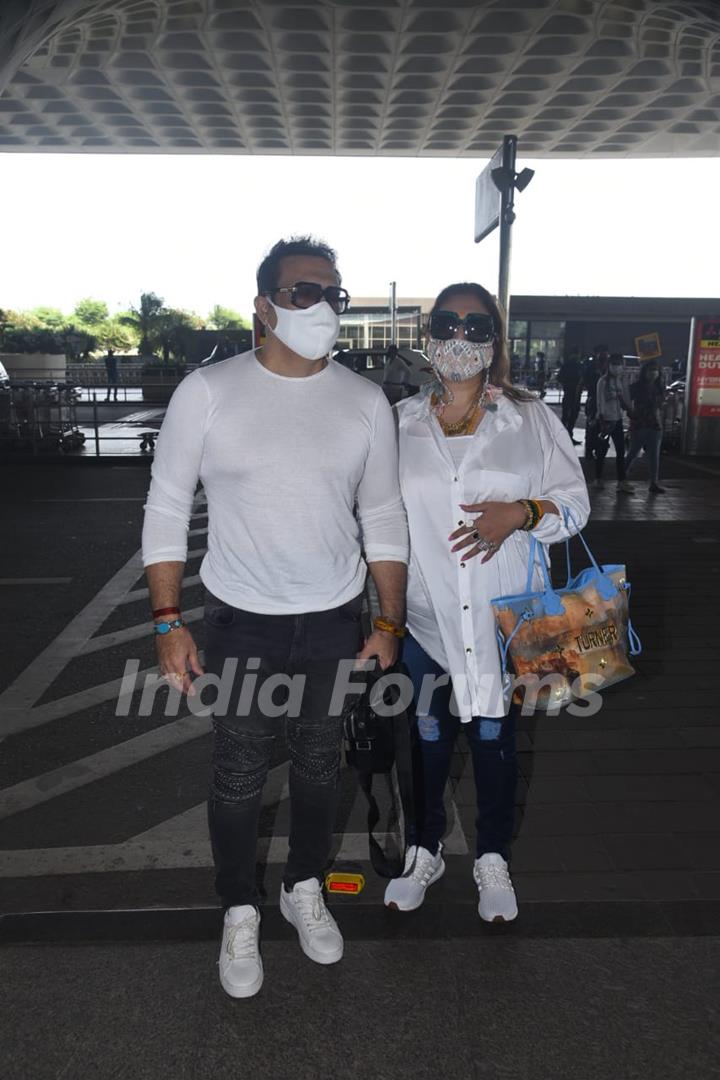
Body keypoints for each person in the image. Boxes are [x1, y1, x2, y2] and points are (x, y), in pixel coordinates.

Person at [141, 236, 409, 998]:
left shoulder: (363, 401)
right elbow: (166, 504)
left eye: (333, 294)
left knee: (323, 768)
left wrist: (386, 623)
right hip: (241, 623)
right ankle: (237, 907)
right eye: (301, 292)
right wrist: (168, 620)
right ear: (262, 304)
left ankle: (304, 887)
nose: (321, 306)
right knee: (237, 773)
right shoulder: (210, 390)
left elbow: (383, 512)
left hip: (333, 621)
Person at [383, 282, 589, 922]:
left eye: (476, 328)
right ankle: (424, 847)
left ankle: (491, 855)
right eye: (447, 323)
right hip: (424, 620)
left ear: (494, 341)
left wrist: (522, 513)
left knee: (497, 739)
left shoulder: (529, 419)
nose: (460, 338)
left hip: (504, 621)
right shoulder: (399, 422)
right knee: (426, 739)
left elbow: (576, 506)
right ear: (428, 334)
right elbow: (376, 518)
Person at [595, 353, 634, 493]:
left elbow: (624, 401)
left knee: (621, 451)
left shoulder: (621, 381)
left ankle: (621, 481)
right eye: (614, 364)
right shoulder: (603, 381)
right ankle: (598, 478)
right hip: (606, 420)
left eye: (619, 364)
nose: (617, 367)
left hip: (617, 420)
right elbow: (600, 402)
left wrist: (628, 409)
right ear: (609, 365)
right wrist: (602, 421)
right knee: (601, 452)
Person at [625, 360, 666, 494]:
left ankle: (654, 482)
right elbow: (626, 401)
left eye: (655, 370)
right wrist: (631, 414)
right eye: (650, 370)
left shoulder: (659, 387)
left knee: (654, 455)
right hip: (640, 423)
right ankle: (622, 477)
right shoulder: (636, 387)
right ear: (644, 372)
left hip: (655, 424)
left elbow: (660, 406)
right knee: (633, 452)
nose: (653, 373)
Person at [557, 347, 583, 443]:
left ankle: (566, 436)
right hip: (572, 394)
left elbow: (559, 378)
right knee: (570, 416)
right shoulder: (577, 366)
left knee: (569, 416)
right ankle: (566, 436)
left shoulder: (568, 365)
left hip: (571, 394)